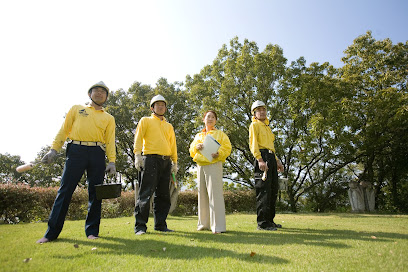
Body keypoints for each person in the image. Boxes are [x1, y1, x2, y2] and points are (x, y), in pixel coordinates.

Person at [36, 81, 116, 243]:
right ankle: (51, 233)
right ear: (89, 94)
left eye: (103, 92)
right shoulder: (77, 109)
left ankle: (92, 232)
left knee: (96, 193)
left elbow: (110, 140)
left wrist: (112, 161)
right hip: (76, 151)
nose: (99, 93)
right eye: (96, 91)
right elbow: (64, 130)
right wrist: (54, 149)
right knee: (65, 190)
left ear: (106, 97)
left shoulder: (109, 118)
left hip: (97, 153)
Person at [133, 94, 178, 235]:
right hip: (150, 159)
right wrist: (137, 155)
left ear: (165, 108)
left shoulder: (169, 126)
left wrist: (174, 162)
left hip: (166, 161)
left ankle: (160, 225)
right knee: (145, 193)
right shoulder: (145, 121)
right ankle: (140, 227)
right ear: (152, 108)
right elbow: (138, 137)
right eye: (157, 105)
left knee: (164, 195)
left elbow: (173, 145)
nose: (160, 107)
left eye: (163, 105)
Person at [189, 110, 232, 234]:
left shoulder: (220, 134)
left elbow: (227, 147)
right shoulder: (198, 135)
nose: (210, 119)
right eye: (208, 117)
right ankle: (203, 224)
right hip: (200, 165)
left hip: (214, 164)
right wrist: (196, 147)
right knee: (202, 195)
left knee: (215, 195)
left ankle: (218, 227)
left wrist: (219, 153)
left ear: (216, 121)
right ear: (203, 119)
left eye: (213, 117)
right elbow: (191, 149)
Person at [249, 101, 284, 231]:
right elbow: (253, 144)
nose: (262, 112)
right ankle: (262, 223)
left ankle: (270, 221)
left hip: (271, 157)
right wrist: (259, 159)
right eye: (259, 110)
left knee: (273, 190)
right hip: (262, 157)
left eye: (263, 109)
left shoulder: (267, 127)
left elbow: (271, 147)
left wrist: (277, 161)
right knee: (263, 190)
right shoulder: (254, 125)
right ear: (254, 113)